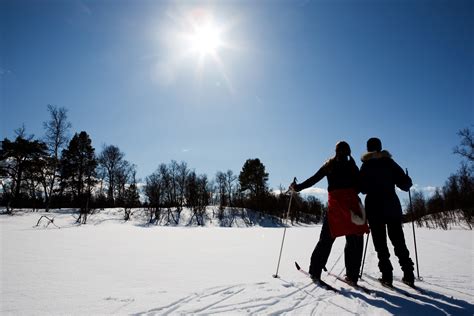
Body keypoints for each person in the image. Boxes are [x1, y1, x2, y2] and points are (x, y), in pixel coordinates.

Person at [290, 141, 369, 285]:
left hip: (336, 208)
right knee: (354, 241)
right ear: (349, 152)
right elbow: (361, 187)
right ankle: (352, 276)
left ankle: (315, 270)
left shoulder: (329, 165)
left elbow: (313, 180)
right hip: (351, 207)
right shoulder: (352, 166)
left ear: (336, 151)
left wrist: (297, 187)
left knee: (326, 239)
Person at [359, 137, 415, 287]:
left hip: (374, 209)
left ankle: (387, 275)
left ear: (368, 149)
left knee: (380, 244)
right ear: (380, 147)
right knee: (398, 241)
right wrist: (407, 180)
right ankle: (408, 273)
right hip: (392, 208)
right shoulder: (389, 163)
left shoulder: (366, 166)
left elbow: (362, 189)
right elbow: (405, 185)